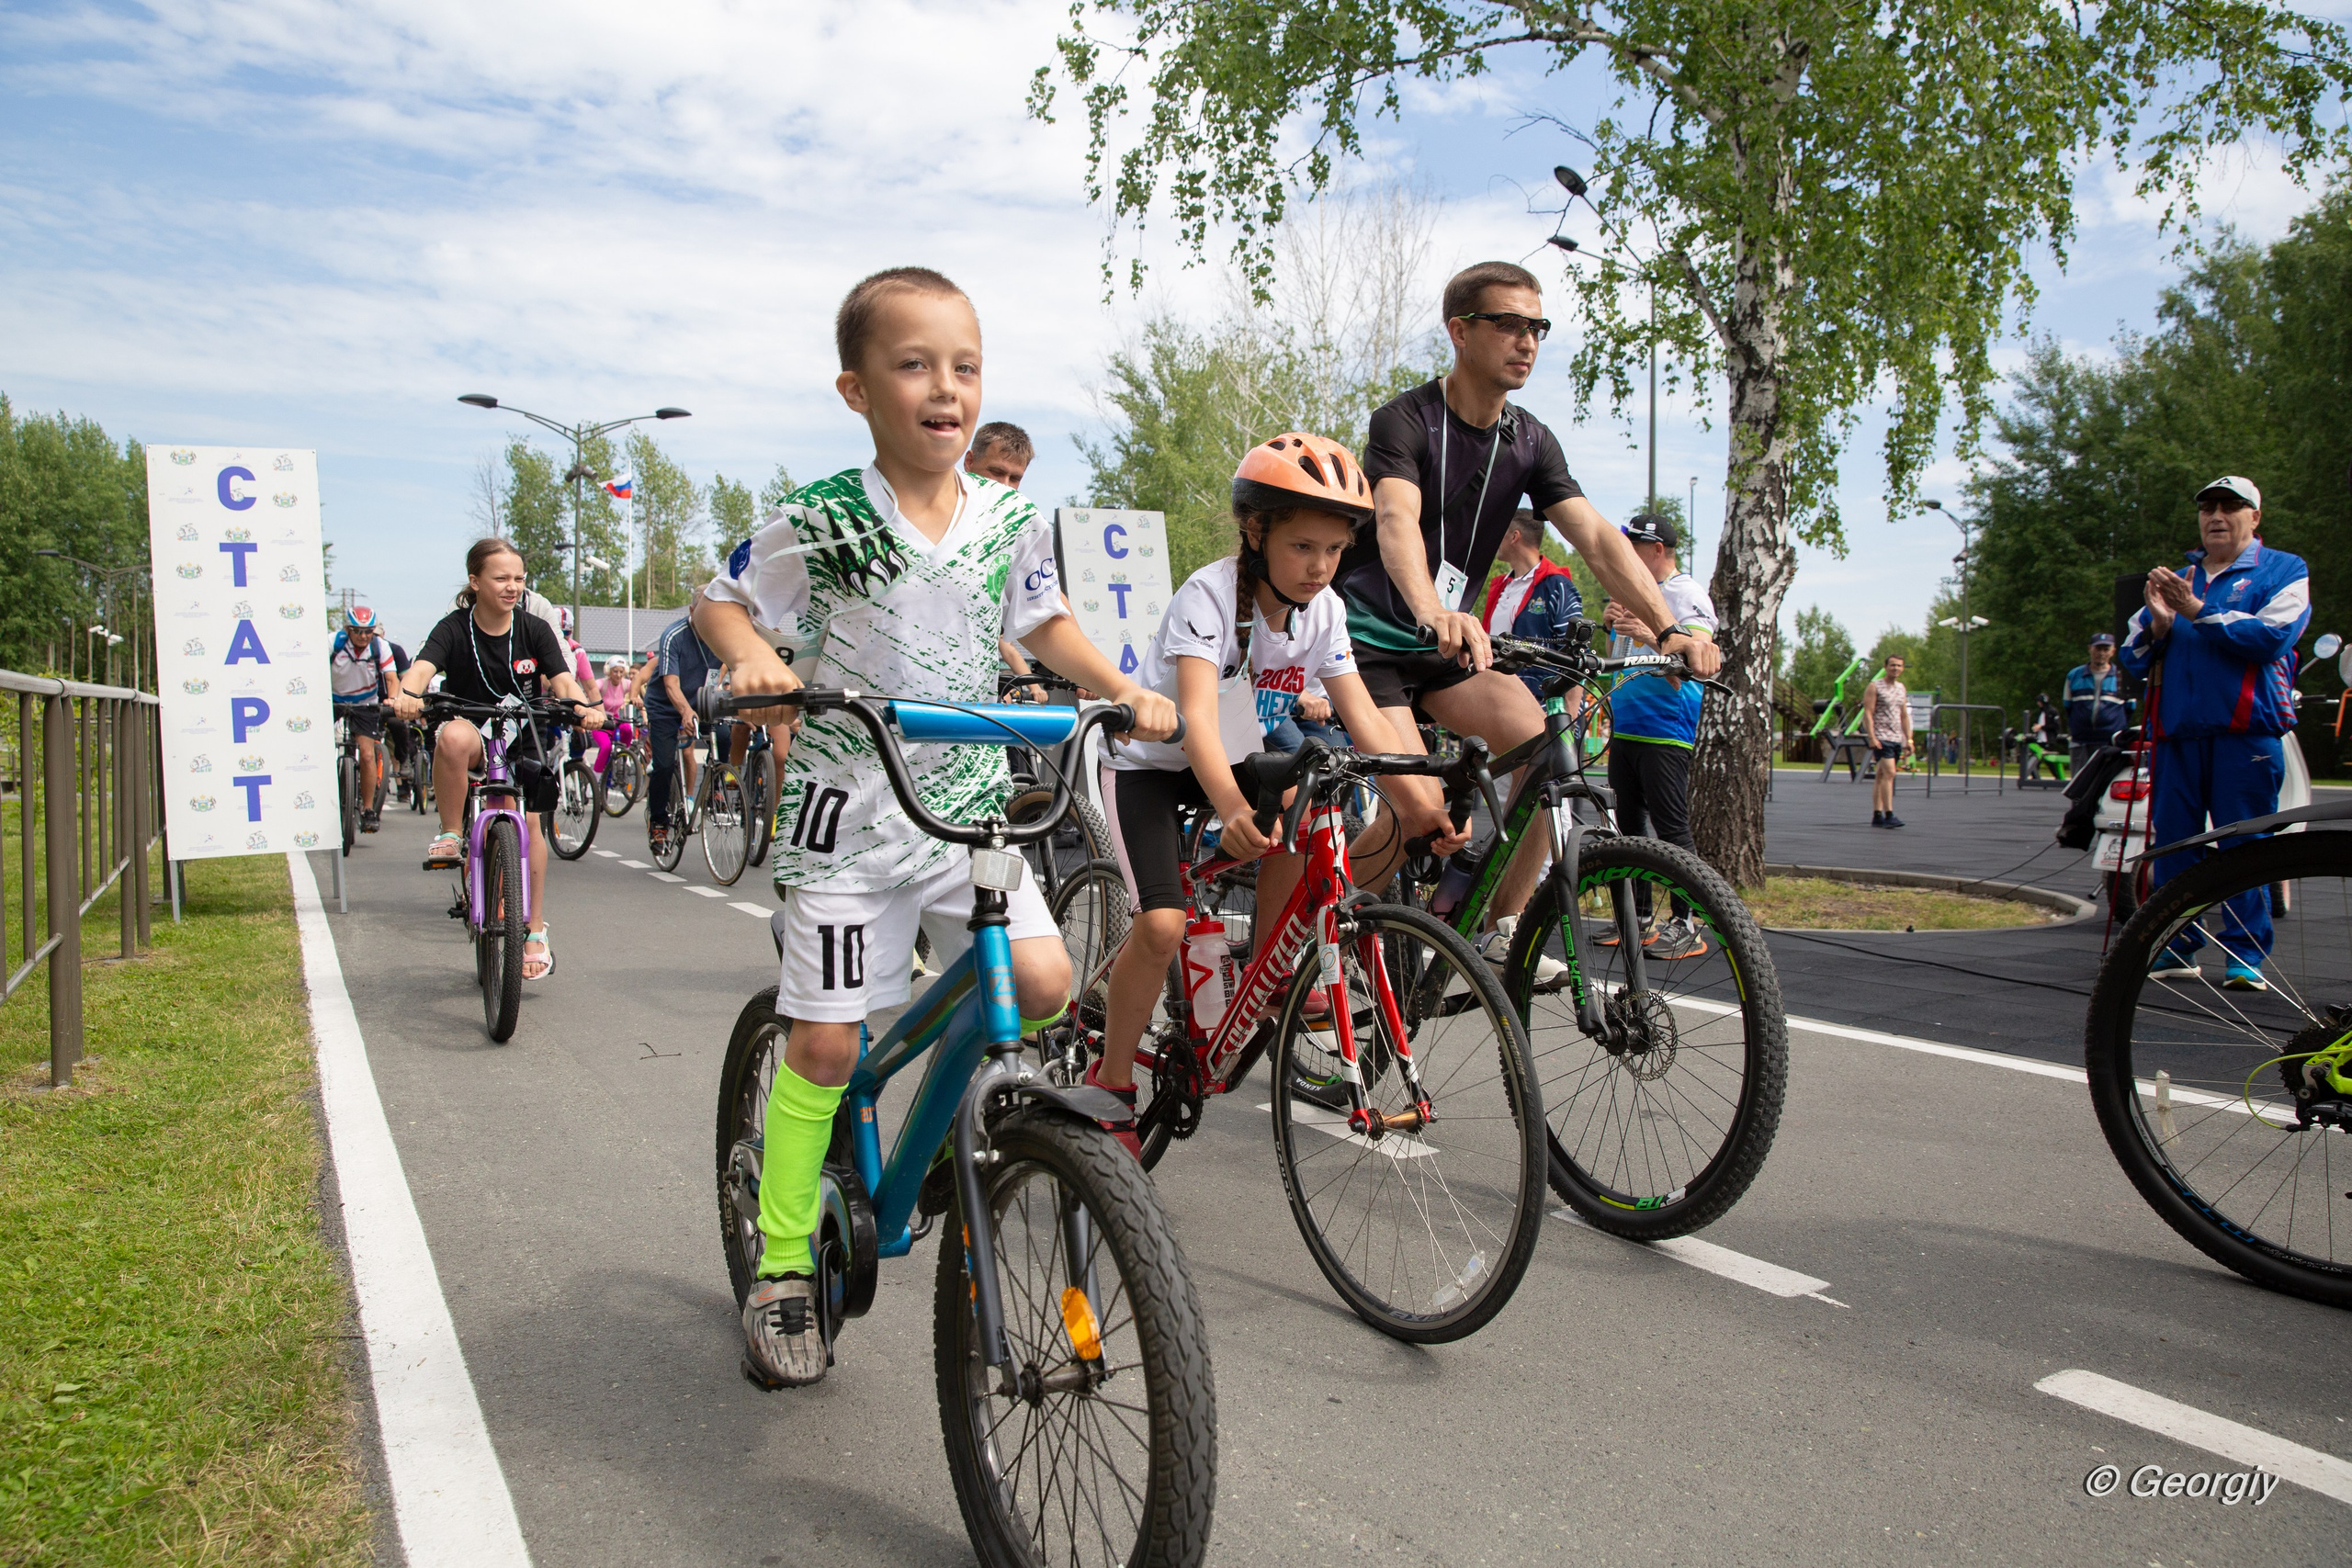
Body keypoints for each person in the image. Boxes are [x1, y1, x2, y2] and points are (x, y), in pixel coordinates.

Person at [691, 265, 1175, 1390]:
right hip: (847, 817)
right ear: (858, 390)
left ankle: (920, 1084)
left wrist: (1121, 684)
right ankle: (777, 1269)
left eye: (964, 367)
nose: (944, 389)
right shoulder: (822, 516)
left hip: (963, 811)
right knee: (823, 1046)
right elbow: (719, 601)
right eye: (914, 366)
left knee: (1047, 983)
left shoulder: (1008, 514)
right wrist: (753, 654)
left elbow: (1043, 619)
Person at [1340, 260, 1721, 974]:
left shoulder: (1531, 440)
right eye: (1509, 324)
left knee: (1550, 751)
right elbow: (1395, 519)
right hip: (1370, 643)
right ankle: (1318, 932)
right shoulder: (1407, 419)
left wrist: (1670, 627)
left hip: (1445, 647)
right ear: (1460, 332)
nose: (1528, 341)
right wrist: (1431, 608)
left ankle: (1501, 925)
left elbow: (1601, 542)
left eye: (1537, 327)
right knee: (1419, 814)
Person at [1097, 434, 1468, 1134]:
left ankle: (1268, 976)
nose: (1320, 566)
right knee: (1162, 922)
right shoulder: (1207, 596)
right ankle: (1111, 1081)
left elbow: (1364, 716)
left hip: (1234, 757)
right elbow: (1198, 723)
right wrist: (1234, 807)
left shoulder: (1324, 610)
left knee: (1311, 806)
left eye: (1334, 550)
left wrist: (1426, 795)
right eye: (1303, 547)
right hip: (1154, 765)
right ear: (1257, 531)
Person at [2120, 475, 2310, 991]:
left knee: (2244, 847)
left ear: (2255, 517)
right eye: (2208, 508)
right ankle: (2178, 946)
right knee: (2176, 848)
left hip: (2245, 735)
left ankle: (2245, 956)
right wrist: (2159, 626)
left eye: (2231, 507)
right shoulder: (2178, 578)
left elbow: (2272, 637)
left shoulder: (2284, 569)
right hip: (2178, 735)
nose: (2217, 516)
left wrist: (2196, 612)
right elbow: (2130, 656)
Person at [387, 538, 604, 982]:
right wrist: (407, 696)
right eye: (501, 578)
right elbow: (423, 669)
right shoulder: (453, 627)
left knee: (533, 826)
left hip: (521, 732)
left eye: (519, 579)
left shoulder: (533, 629)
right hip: (472, 729)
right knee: (450, 736)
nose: (512, 587)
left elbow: (563, 679)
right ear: (475, 581)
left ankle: (535, 928)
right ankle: (451, 833)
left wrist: (583, 707)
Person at [1598, 513, 1717, 957]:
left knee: (1671, 828)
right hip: (1627, 725)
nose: (1627, 553)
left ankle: (1687, 922)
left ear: (1659, 550)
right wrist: (1615, 627)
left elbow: (1696, 659)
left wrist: (1650, 633)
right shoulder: (1632, 591)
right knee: (1626, 827)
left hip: (1666, 727)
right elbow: (1621, 656)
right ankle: (1639, 917)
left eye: (1636, 546)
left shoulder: (1686, 593)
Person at [965, 422, 1049, 696]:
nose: (1004, 486)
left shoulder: (1019, 531)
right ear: (969, 461)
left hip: (978, 706)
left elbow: (1048, 612)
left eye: (1015, 479)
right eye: (996, 472)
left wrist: (1090, 677)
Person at [1479, 506, 1586, 715]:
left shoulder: (1557, 586)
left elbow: (1577, 653)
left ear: (1514, 537)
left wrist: (1571, 724)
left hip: (1541, 707)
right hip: (1496, 703)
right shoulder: (1501, 586)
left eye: (1500, 532)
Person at [643, 611, 718, 856]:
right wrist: (685, 711)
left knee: (725, 735)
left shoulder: (721, 632)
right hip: (665, 706)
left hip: (699, 702)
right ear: (692, 610)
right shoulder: (674, 635)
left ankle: (717, 787)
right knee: (664, 765)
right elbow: (670, 684)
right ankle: (658, 824)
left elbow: (736, 667)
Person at [328, 605, 397, 834]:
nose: (364, 636)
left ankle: (368, 810)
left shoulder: (380, 646)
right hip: (333, 701)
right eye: (358, 631)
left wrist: (393, 699)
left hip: (366, 703)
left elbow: (391, 677)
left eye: (368, 631)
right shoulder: (333, 643)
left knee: (367, 754)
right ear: (348, 630)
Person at [2064, 633, 2129, 773]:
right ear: (2090, 649)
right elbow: (2068, 706)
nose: (2101, 653)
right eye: (2098, 649)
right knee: (2078, 785)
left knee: (2107, 784)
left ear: (2113, 651)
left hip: (2110, 743)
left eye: (2106, 649)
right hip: (2081, 741)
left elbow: (2129, 709)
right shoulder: (2074, 675)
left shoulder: (2122, 677)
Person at [1862, 654, 1913, 827]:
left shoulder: (1901, 688)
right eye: (1892, 665)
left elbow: (1904, 715)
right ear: (1885, 667)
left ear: (1903, 668)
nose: (1896, 669)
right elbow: (1868, 712)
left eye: (1899, 666)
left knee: (1882, 775)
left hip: (1896, 736)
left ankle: (1877, 815)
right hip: (1881, 736)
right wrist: (1871, 736)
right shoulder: (1875, 686)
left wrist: (1909, 739)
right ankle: (1889, 814)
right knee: (1890, 773)